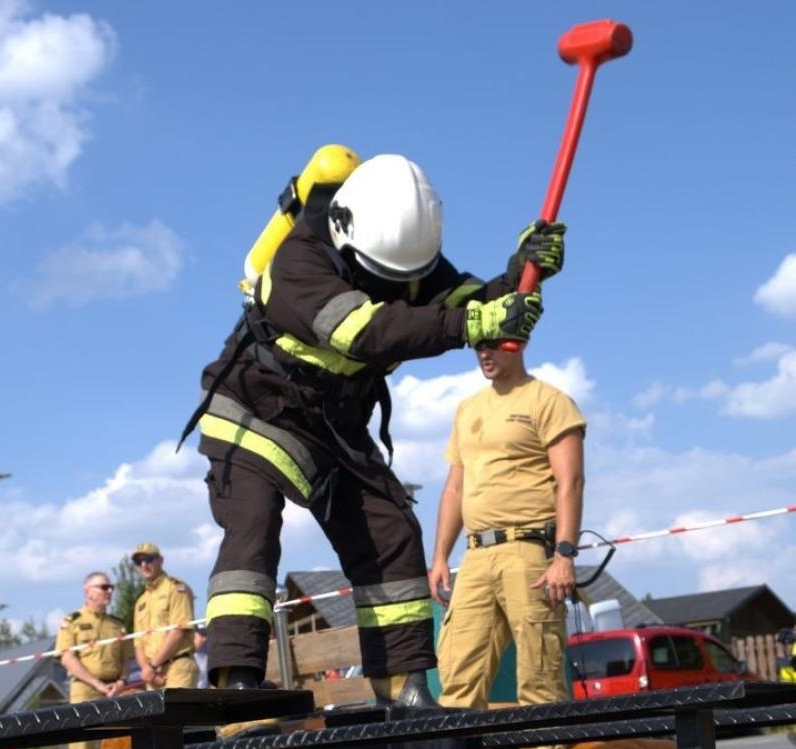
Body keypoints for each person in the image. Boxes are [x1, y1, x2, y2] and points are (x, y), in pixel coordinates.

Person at [184, 152, 565, 703]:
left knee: (391, 533)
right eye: (382, 272)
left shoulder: (407, 263)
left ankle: (401, 687)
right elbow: (365, 331)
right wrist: (472, 322)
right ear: (346, 231)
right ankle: (236, 683)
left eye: (404, 276)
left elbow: (475, 303)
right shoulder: (299, 260)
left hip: (335, 423)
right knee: (253, 526)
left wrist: (523, 272)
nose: (396, 284)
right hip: (258, 411)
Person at [428, 338, 585, 749]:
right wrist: (439, 557)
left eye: (497, 345)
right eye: (479, 346)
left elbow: (571, 481)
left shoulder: (549, 401)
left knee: (539, 678)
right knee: (458, 678)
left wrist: (564, 554)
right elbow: (454, 488)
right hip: (476, 555)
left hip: (529, 550)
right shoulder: (467, 408)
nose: (486, 354)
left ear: (521, 344)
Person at [55, 572, 131, 749]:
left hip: (115, 690)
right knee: (82, 743)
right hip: (85, 689)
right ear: (88, 591)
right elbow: (67, 658)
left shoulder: (117, 625)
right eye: (104, 587)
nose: (109, 591)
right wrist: (97, 685)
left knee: (117, 742)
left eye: (111, 587)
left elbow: (126, 659)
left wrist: (122, 682)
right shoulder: (73, 622)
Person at [131, 543, 198, 690]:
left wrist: (152, 666)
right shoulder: (141, 601)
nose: (144, 565)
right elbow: (138, 643)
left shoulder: (176, 588)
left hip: (177, 666)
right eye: (138, 562)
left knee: (176, 706)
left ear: (160, 560)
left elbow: (178, 632)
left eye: (148, 559)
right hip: (152, 674)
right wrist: (148, 670)